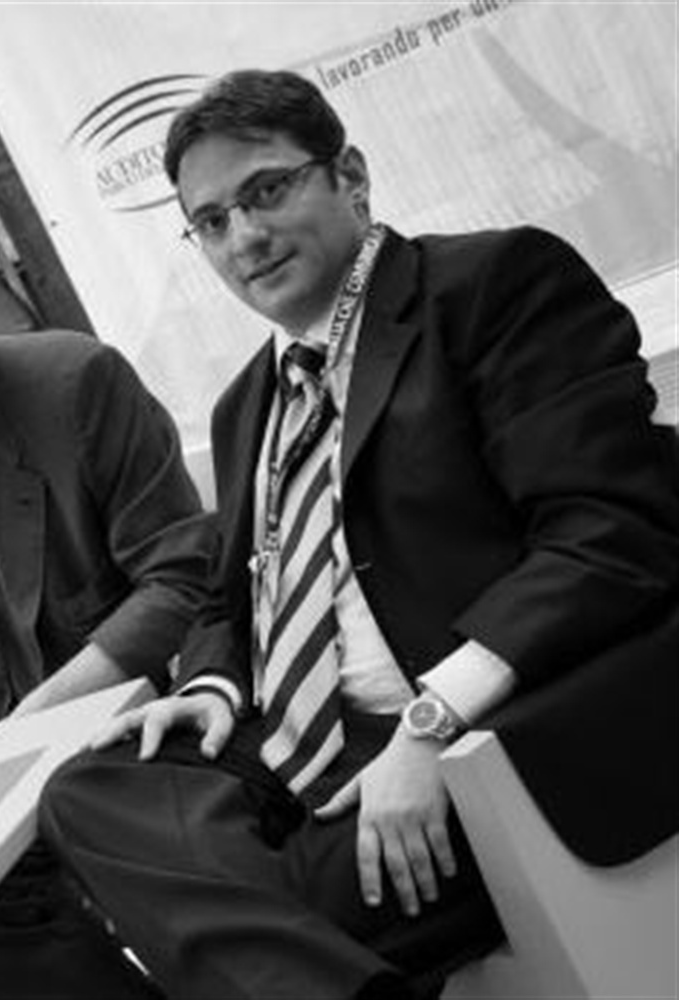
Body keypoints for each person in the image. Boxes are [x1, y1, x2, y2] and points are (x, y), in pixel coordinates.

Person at [39, 71, 679, 1000]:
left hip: (487, 726)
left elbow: (611, 534)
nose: (243, 238)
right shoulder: (245, 406)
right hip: (297, 743)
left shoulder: (493, 287)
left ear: (351, 175)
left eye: (266, 191)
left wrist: (431, 721)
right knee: (89, 790)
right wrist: (213, 682)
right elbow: (228, 598)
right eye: (210, 221)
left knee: (237, 920)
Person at [0, 328, 217, 999]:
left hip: (155, 741)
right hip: (8, 804)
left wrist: (26, 730)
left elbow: (183, 577)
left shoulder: (73, 383)